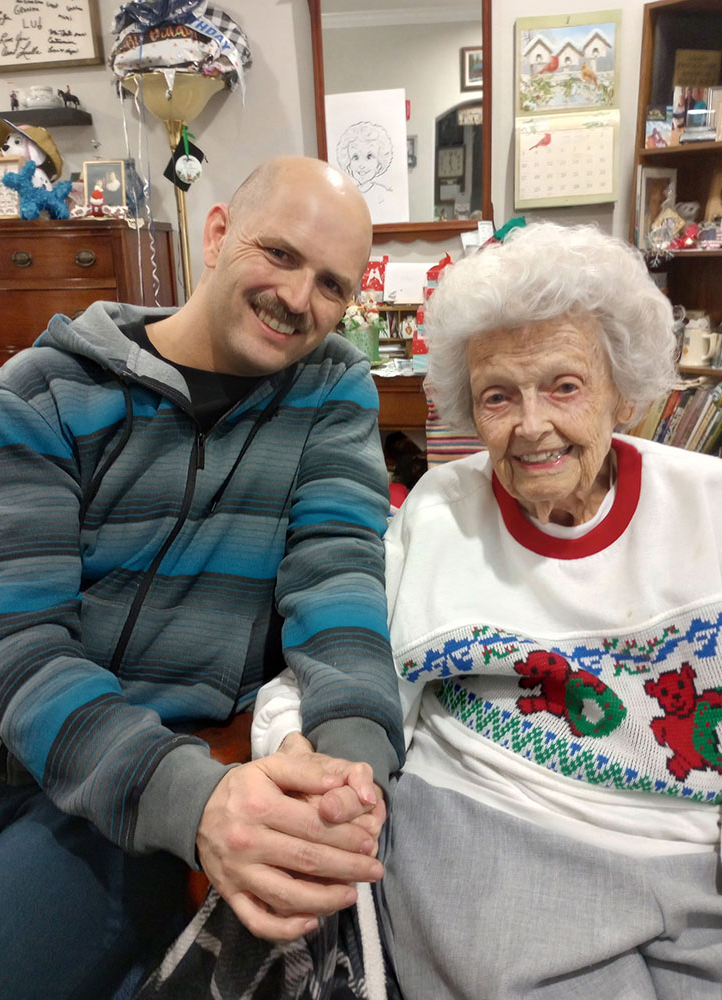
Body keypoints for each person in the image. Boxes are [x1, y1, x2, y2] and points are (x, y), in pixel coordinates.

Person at [172, 221, 722, 1000]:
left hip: (691, 861)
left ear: (623, 392)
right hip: (494, 846)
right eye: (498, 396)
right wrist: (297, 750)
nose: (530, 425)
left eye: (564, 386)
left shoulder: (706, 507)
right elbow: (347, 660)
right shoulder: (440, 512)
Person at [0, 155, 405, 1000]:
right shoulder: (39, 392)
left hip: (139, 795)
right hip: (12, 750)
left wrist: (357, 779)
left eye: (331, 285)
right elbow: (17, 647)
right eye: (277, 254)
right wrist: (202, 807)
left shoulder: (330, 388)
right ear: (214, 234)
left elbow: (339, 583)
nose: (297, 298)